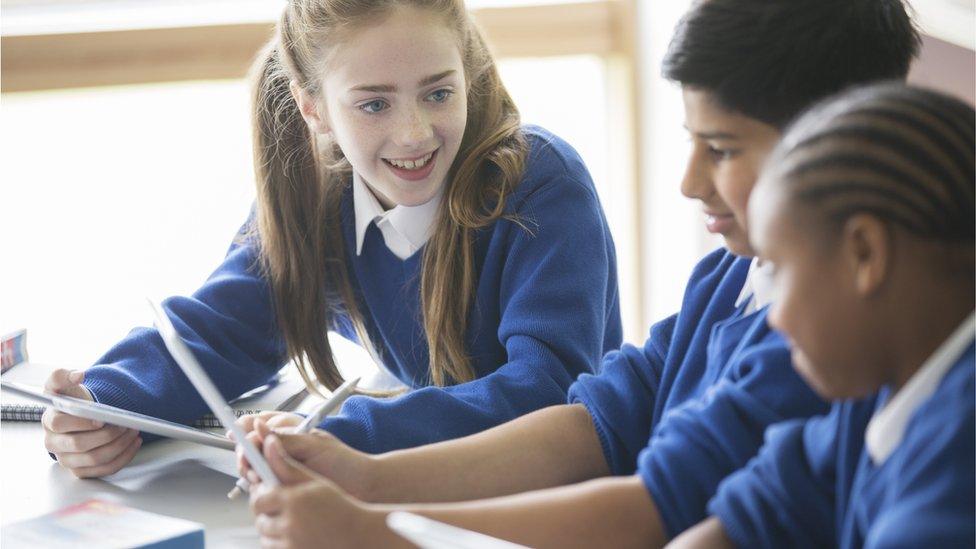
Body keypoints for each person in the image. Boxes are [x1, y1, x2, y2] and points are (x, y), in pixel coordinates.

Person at [236, 1, 923, 547]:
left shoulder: (824, 343)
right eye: (691, 142)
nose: (687, 182)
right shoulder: (729, 276)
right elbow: (599, 422)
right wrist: (366, 475)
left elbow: (654, 508)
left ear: (836, 145)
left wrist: (374, 529)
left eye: (719, 149)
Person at [40, 0, 622, 478]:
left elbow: (549, 393)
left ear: (465, 75)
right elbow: (220, 328)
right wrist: (101, 401)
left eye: (439, 93)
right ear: (312, 108)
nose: (414, 132)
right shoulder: (319, 199)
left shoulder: (541, 184)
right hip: (428, 500)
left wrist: (342, 436)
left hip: (559, 499)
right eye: (373, 103)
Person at [670, 83, 975, 549]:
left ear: (864, 254)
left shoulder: (959, 462)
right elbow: (766, 509)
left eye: (780, 271)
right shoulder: (879, 385)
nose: (773, 321)